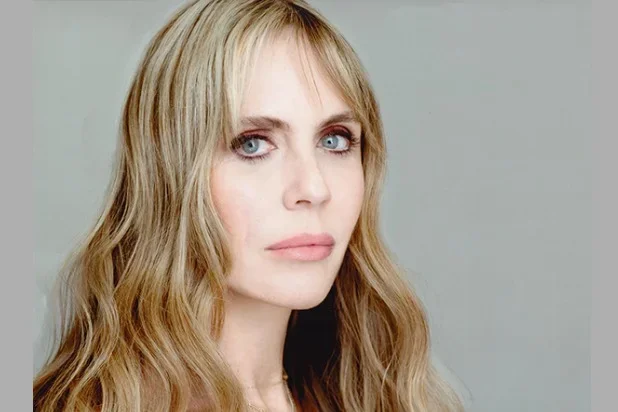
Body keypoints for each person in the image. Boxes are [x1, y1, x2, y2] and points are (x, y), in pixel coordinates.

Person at [33, 0, 464, 411]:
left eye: (334, 140)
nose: (314, 188)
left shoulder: (378, 394)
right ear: (169, 175)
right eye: (253, 144)